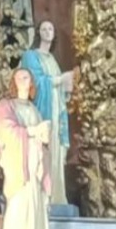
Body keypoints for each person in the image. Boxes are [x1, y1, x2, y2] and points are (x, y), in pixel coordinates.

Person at [0, 68, 53, 229]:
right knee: (20, 202)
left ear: (31, 83)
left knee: (35, 200)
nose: (22, 79)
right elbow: (6, 130)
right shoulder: (6, 105)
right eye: (19, 76)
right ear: (13, 81)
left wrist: (43, 138)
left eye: (26, 77)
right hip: (20, 163)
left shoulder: (34, 110)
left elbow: (43, 138)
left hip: (35, 162)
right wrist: (32, 131)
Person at [20, 20, 73, 205]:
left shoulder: (52, 59)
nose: (47, 32)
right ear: (38, 33)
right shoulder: (31, 56)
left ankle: (57, 196)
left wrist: (65, 89)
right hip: (42, 113)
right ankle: (42, 196)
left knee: (56, 156)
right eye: (44, 29)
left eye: (51, 29)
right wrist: (60, 80)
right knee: (42, 154)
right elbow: (36, 82)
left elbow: (56, 88)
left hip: (57, 113)